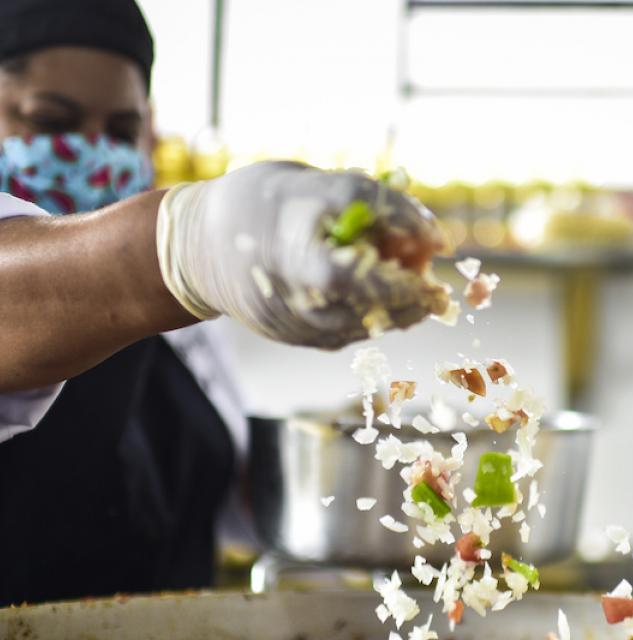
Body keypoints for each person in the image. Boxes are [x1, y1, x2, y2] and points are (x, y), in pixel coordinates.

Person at [0, 0, 447, 606]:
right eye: (51, 122)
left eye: (122, 131)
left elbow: (231, 502)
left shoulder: (184, 320)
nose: (94, 153)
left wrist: (362, 462)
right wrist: (183, 242)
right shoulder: (169, 273)